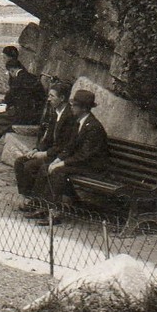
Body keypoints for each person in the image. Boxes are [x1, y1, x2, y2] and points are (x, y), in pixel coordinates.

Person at [35, 88, 109, 223]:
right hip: (80, 164)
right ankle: (42, 206)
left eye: (75, 105)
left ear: (84, 108)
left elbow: (85, 155)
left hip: (92, 167)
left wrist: (62, 163)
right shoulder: (78, 122)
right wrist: (57, 159)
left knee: (58, 172)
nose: (72, 107)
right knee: (46, 167)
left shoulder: (93, 127)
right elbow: (69, 146)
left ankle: (55, 213)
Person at [14, 79, 73, 210]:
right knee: (19, 162)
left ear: (62, 98)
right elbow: (48, 138)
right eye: (49, 95)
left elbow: (64, 144)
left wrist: (45, 154)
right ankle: (27, 197)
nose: (48, 99)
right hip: (50, 152)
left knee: (30, 166)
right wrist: (36, 149)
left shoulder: (69, 116)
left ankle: (36, 201)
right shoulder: (55, 112)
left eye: (52, 96)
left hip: (58, 155)